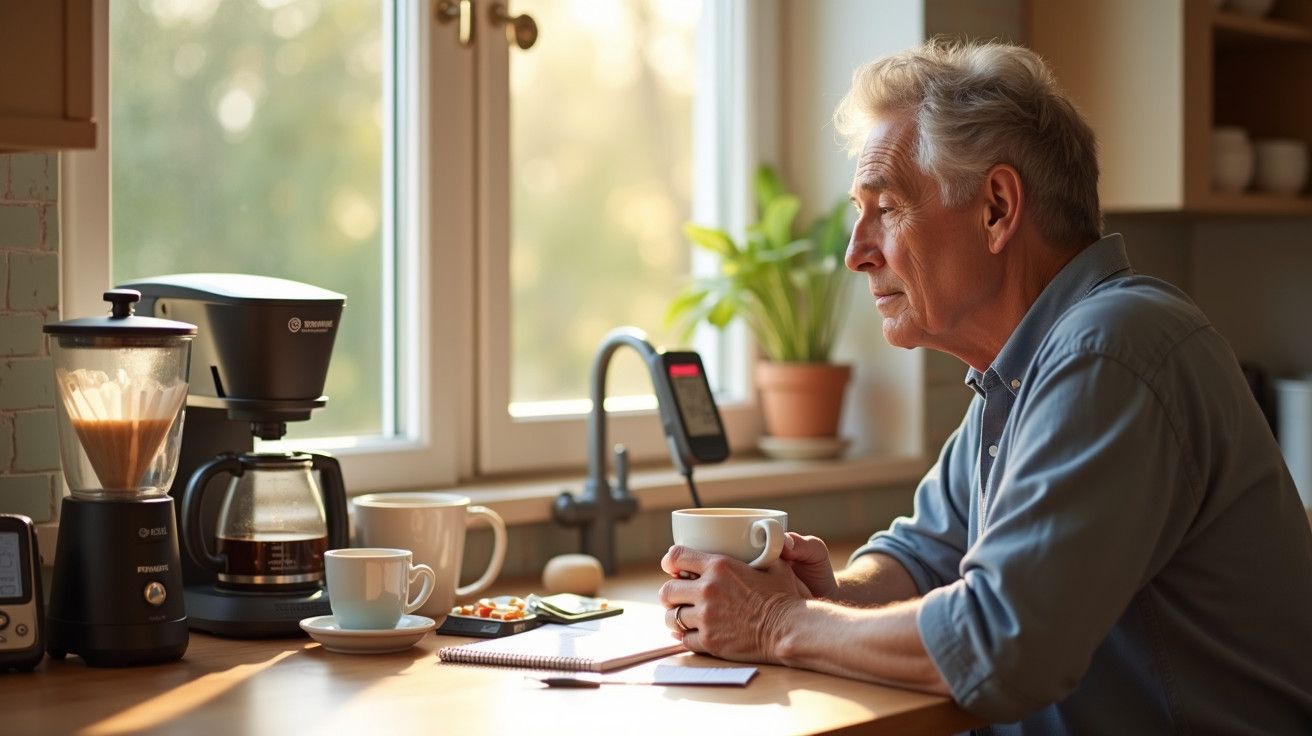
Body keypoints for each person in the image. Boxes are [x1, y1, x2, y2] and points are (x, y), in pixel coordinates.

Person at [659, 40, 1312, 734]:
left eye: (886, 207)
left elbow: (1002, 643)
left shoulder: (1113, 351)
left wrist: (777, 622)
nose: (856, 252)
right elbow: (924, 554)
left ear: (997, 207)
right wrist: (826, 592)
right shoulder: (1026, 371)